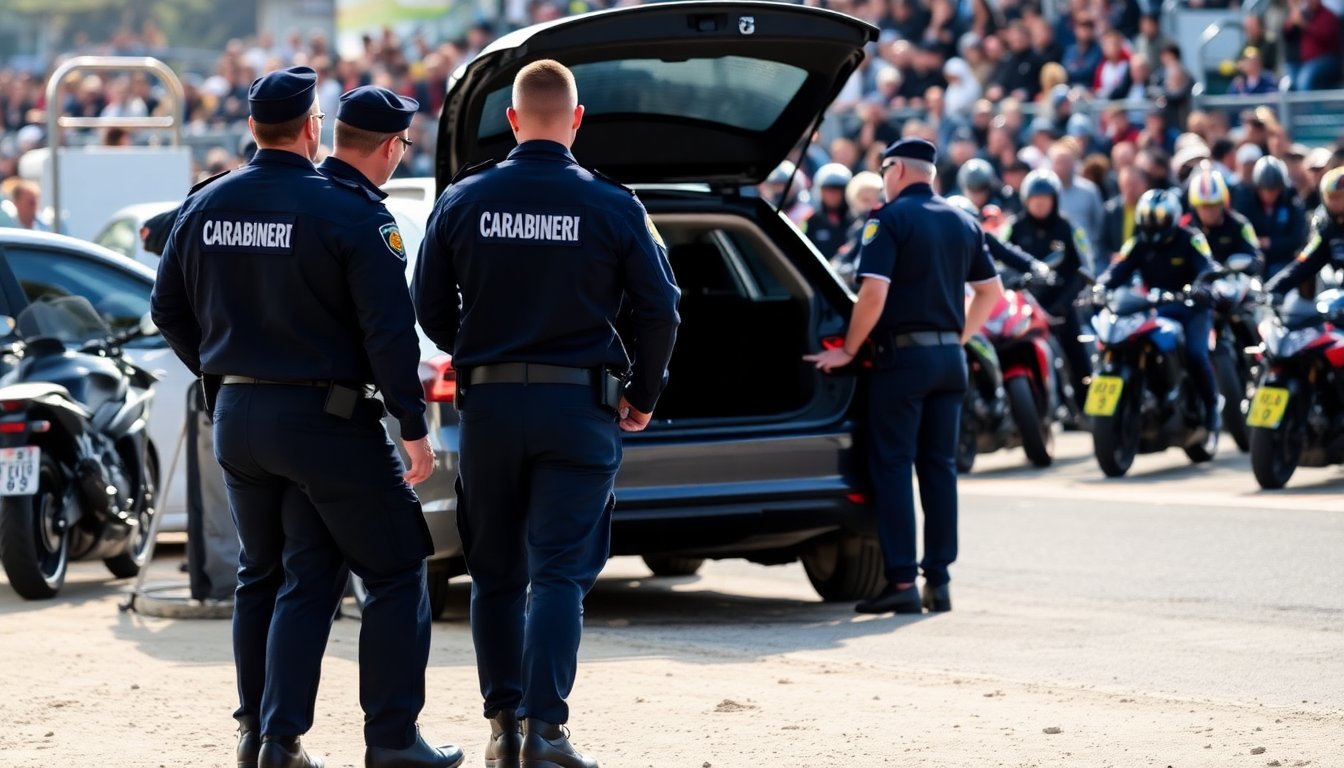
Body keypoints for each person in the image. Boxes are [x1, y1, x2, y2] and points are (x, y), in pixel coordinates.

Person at [150, 68, 463, 768]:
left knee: (278, 574)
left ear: (252, 127)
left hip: (237, 417)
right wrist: (413, 427)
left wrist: (221, 371)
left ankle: (268, 737)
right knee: (396, 568)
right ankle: (392, 740)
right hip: (325, 420)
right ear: (312, 129)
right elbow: (388, 335)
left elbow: (166, 308)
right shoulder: (348, 211)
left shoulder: (205, 203)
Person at [411, 59, 680, 768]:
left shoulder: (464, 198)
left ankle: (504, 729)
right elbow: (662, 309)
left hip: (491, 408)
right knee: (558, 574)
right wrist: (643, 394)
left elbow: (426, 305)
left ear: (511, 120)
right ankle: (546, 734)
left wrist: (481, 349)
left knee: (495, 574)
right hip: (578, 409)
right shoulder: (614, 204)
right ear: (578, 119)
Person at [804, 138, 1003, 615]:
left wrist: (849, 349)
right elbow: (991, 292)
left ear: (895, 170)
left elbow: (873, 295)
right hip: (950, 360)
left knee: (893, 466)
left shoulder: (888, 219)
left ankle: (900, 581)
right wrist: (957, 337)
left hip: (904, 362)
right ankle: (939, 580)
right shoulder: (962, 220)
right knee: (939, 469)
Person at [1098, 189, 1220, 439]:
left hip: (1191, 309)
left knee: (1195, 354)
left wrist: (1201, 287)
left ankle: (1211, 406)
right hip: (1155, 309)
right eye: (1148, 220)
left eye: (1159, 220)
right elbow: (1117, 270)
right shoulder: (1137, 242)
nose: (1153, 225)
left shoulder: (1191, 239)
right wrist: (1100, 287)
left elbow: (1207, 267)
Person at [1000, 169, 1094, 417]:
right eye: (1035, 198)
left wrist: (1064, 303)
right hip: (1023, 306)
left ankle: (1087, 408)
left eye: (1045, 198)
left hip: (1061, 306)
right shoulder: (1014, 228)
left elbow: (1083, 269)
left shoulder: (1068, 227)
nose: (1040, 203)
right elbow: (1000, 266)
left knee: (1076, 354)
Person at [1265, 167, 1344, 297]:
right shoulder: (1328, 229)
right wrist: (1271, 289)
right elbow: (1305, 262)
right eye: (1332, 197)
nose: (1336, 202)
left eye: (1340, 197)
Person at [1236, 156, 1309, 278]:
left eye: (1273, 190)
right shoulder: (1246, 202)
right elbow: (1239, 233)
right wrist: (1255, 243)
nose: (1269, 194)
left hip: (1282, 262)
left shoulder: (1292, 203)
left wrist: (1271, 243)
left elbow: (1297, 239)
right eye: (1264, 189)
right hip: (1252, 262)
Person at [1184, 167, 1265, 274]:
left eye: (1214, 205)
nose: (1209, 212)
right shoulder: (1186, 229)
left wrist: (1240, 264)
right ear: (1195, 207)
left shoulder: (1240, 225)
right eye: (1204, 206)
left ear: (1223, 204)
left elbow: (1257, 259)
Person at [803, 162, 856, 262]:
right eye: (828, 189)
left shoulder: (856, 221)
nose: (833, 195)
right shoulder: (811, 221)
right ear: (820, 191)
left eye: (838, 190)